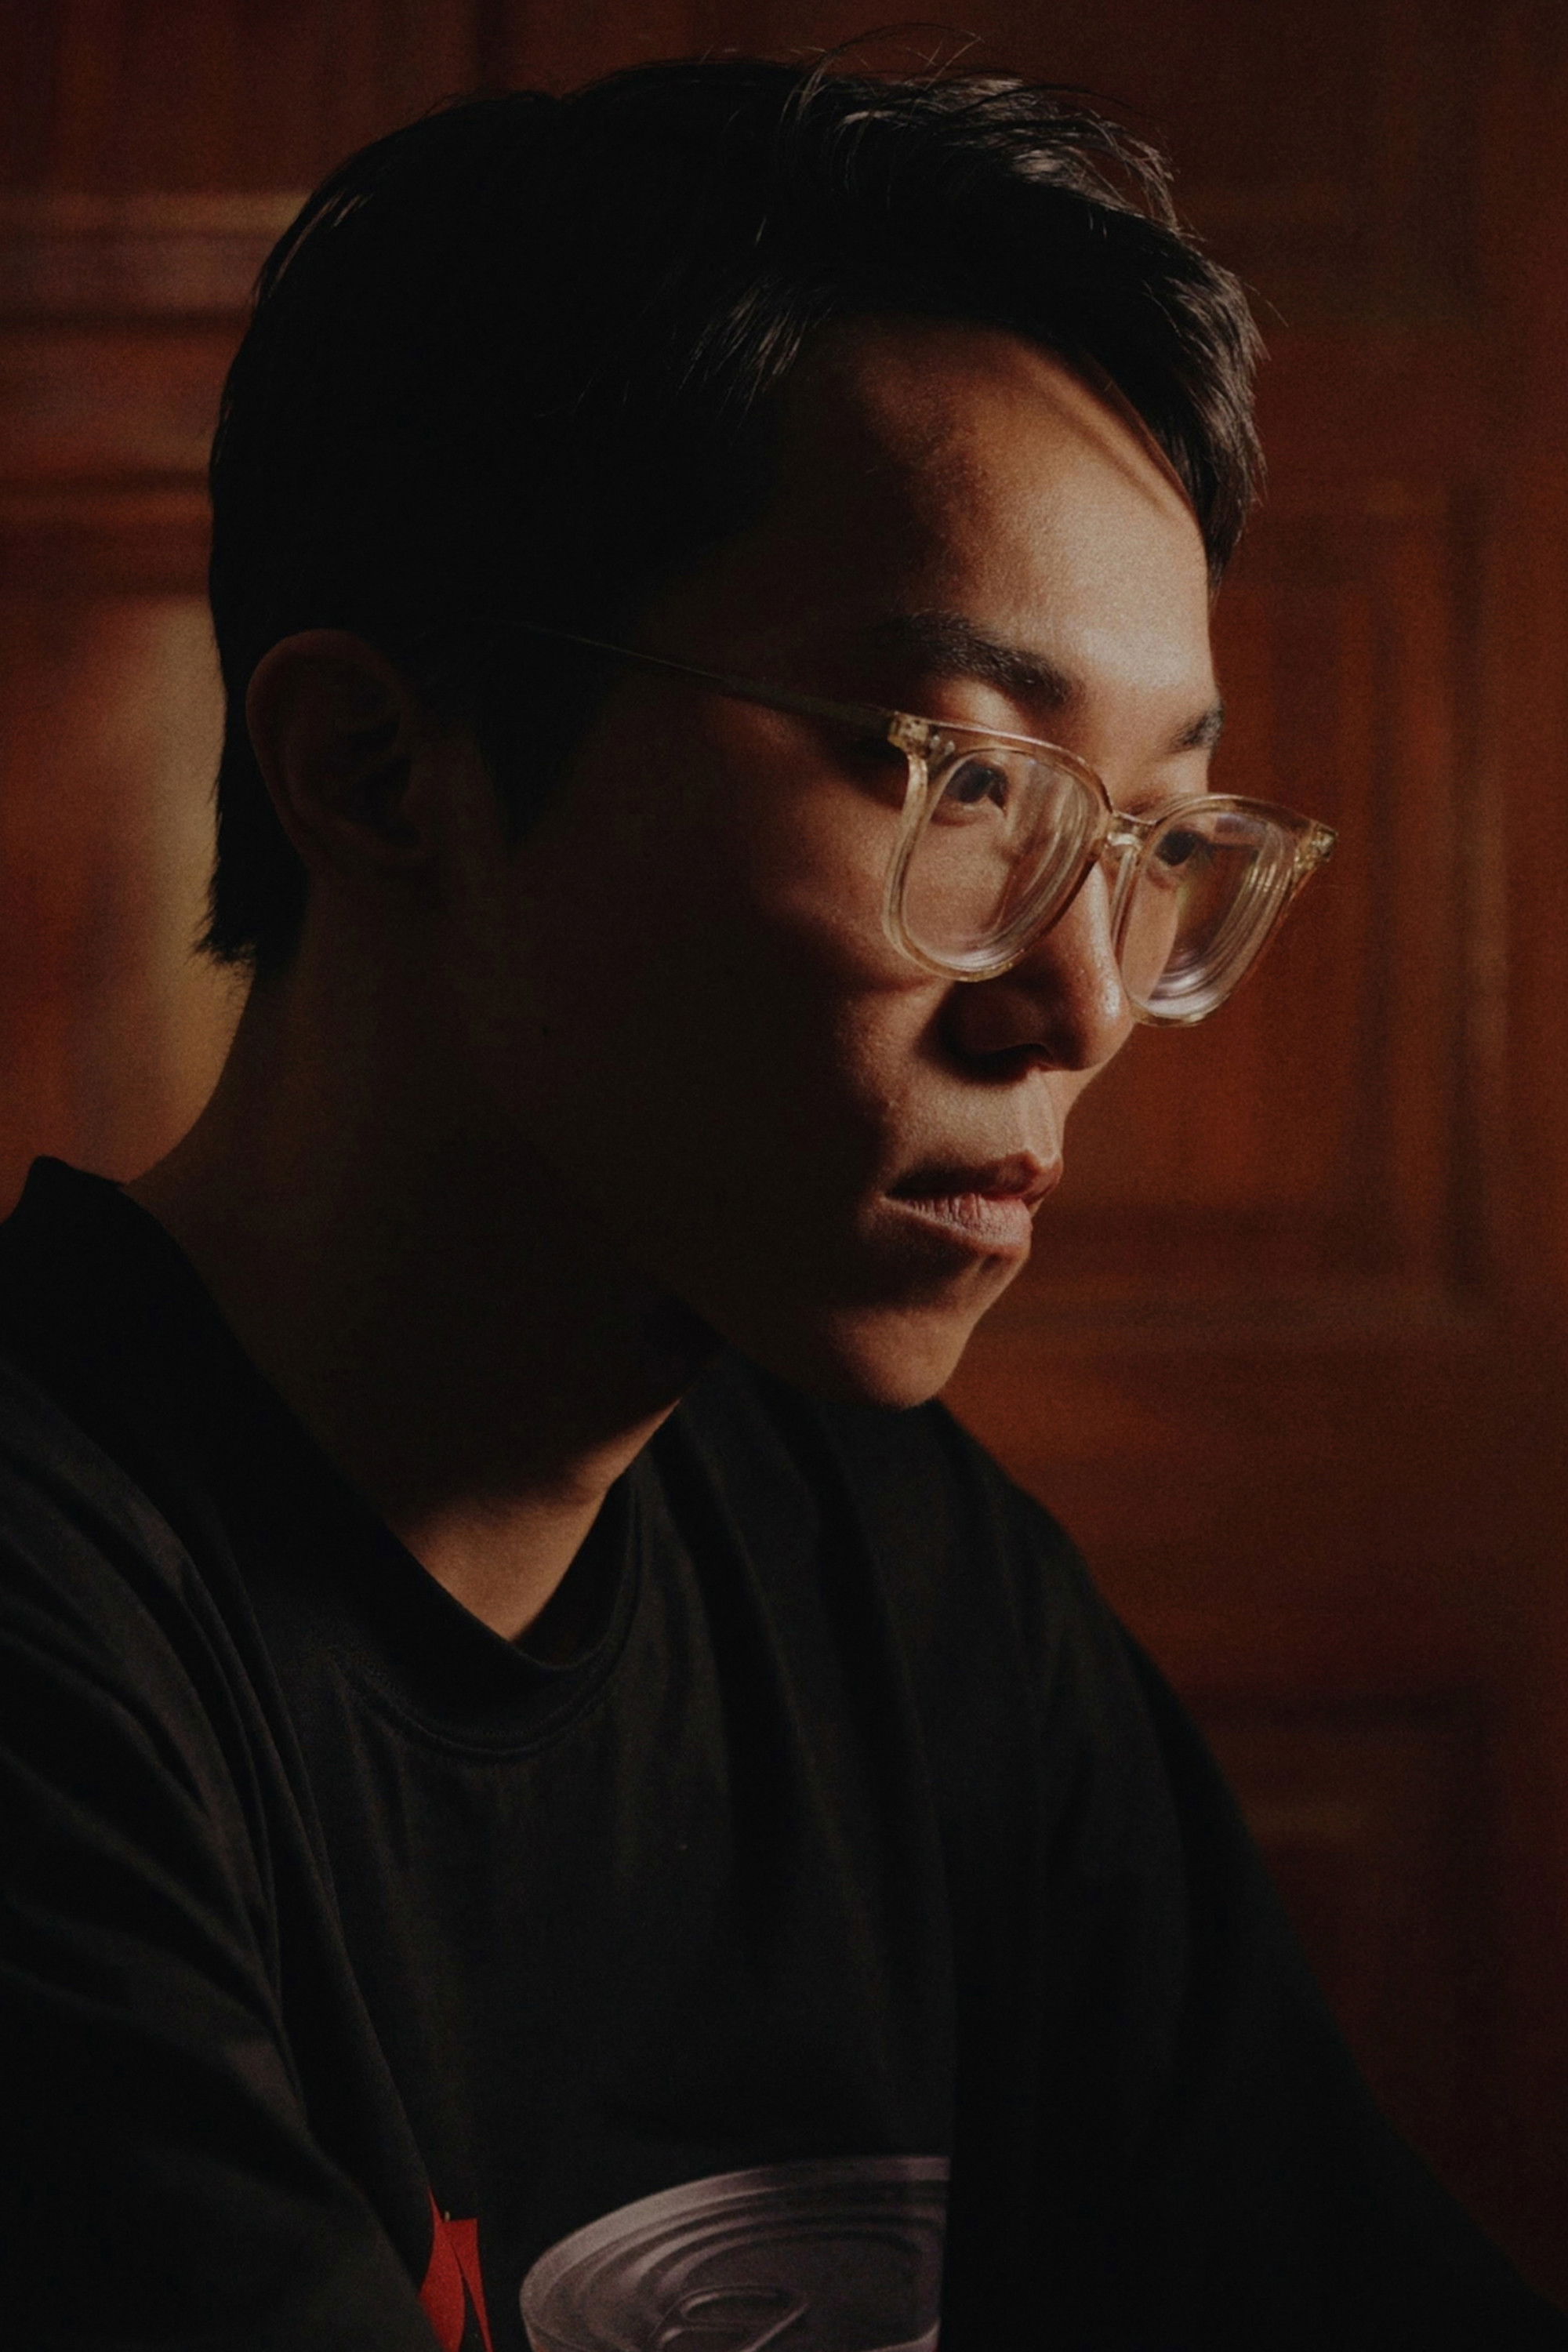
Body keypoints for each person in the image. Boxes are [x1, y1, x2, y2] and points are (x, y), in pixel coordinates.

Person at [0, 53, 1558, 2352]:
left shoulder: (900, 1571)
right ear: (377, 770)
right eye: (969, 781)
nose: (1084, 1002)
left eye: (1153, 838)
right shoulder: (66, 1640)